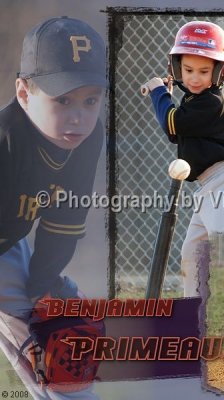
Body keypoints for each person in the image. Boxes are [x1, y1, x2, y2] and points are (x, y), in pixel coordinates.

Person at [0, 16, 107, 399]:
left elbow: (63, 223)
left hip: (7, 241)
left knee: (65, 337)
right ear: (24, 93)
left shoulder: (87, 136)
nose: (78, 116)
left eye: (90, 100)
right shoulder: (6, 143)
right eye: (62, 99)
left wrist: (44, 286)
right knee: (41, 337)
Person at [143, 20, 224, 297]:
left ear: (219, 71)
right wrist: (168, 95)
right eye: (188, 70)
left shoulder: (211, 102)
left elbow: (172, 124)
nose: (194, 78)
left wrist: (159, 93)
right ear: (177, 68)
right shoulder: (194, 102)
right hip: (209, 184)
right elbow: (176, 134)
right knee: (193, 256)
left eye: (204, 71)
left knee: (221, 255)